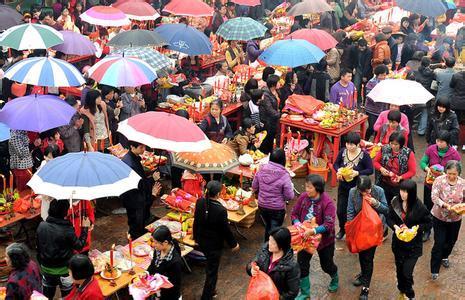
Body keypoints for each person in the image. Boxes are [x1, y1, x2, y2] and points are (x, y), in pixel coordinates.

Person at [291, 175, 339, 298]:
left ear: (317, 188)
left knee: (326, 265)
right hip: (304, 238)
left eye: (309, 187)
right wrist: (298, 224)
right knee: (302, 264)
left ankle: (334, 277)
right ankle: (305, 293)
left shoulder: (327, 203)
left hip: (324, 240)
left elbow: (328, 225)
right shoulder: (303, 197)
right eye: (306, 186)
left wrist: (313, 230)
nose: (306, 189)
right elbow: (294, 214)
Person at [193, 180, 239, 300]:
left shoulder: (200, 202)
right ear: (218, 194)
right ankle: (207, 296)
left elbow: (196, 221)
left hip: (201, 240)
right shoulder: (221, 210)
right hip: (214, 245)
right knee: (212, 272)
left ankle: (211, 290)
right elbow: (225, 229)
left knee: (210, 268)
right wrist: (233, 244)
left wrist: (195, 237)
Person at [387, 180, 432, 300]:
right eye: (401, 190)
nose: (403, 194)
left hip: (413, 247)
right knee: (399, 271)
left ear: (412, 192)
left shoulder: (419, 207)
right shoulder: (395, 202)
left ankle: (410, 294)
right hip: (398, 244)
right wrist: (395, 227)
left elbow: (429, 223)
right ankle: (402, 290)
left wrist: (415, 229)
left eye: (406, 191)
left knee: (407, 272)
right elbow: (389, 218)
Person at [36, 200, 90, 299]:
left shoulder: (41, 226)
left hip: (46, 270)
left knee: (46, 297)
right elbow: (79, 246)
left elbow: (38, 249)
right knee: (67, 297)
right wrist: (85, 228)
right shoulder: (67, 229)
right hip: (64, 272)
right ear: (64, 212)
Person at [347, 176, 389, 300]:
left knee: (368, 258)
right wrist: (351, 228)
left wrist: (376, 203)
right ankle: (363, 274)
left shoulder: (379, 191)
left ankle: (365, 288)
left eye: (368, 190)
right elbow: (350, 211)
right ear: (358, 189)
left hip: (374, 231)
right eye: (363, 191)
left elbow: (386, 210)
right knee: (361, 254)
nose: (366, 193)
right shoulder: (352, 192)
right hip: (360, 230)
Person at [420, 131, 460, 242]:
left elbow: (458, 169)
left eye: (441, 141)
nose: (438, 143)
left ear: (447, 143)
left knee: (443, 207)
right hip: (430, 184)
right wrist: (427, 168)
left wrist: (447, 174)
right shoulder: (431, 149)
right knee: (427, 207)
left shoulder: (454, 154)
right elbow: (423, 162)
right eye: (437, 140)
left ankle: (442, 229)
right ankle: (427, 230)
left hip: (445, 188)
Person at [334, 132, 374, 239]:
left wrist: (358, 173)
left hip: (357, 188)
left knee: (355, 211)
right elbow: (335, 164)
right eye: (347, 143)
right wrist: (338, 171)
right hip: (343, 186)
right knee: (341, 210)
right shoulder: (343, 152)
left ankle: (354, 231)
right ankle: (342, 229)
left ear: (358, 145)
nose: (349, 146)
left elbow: (370, 170)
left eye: (352, 144)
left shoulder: (364, 155)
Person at [430, 160, 464, 280]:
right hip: (439, 217)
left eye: (454, 174)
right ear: (446, 171)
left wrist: (461, 208)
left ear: (458, 173)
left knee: (451, 241)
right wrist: (445, 205)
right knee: (439, 242)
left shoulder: (462, 183)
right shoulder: (439, 181)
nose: (451, 176)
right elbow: (434, 197)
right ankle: (434, 269)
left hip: (455, 218)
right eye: (449, 173)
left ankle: (445, 256)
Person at [120, 141, 161, 238]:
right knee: (137, 226)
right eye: (141, 148)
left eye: (144, 147)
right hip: (134, 200)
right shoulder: (130, 163)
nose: (143, 150)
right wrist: (152, 180)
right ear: (132, 147)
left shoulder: (131, 158)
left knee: (136, 222)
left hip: (132, 199)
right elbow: (139, 184)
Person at [252, 148, 294, 241]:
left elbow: (254, 186)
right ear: (283, 160)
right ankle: (269, 250)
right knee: (274, 232)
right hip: (277, 209)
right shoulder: (284, 174)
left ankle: (267, 247)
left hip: (262, 205)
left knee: (269, 226)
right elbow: (289, 196)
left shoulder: (261, 169)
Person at [246, 227, 300, 300]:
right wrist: (251, 269)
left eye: (273, 242)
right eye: (269, 240)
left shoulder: (292, 266)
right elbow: (253, 262)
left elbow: (293, 292)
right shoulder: (265, 250)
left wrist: (276, 297)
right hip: (260, 295)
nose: (269, 243)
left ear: (281, 246)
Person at [373, 132, 416, 205]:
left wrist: (400, 177)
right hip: (384, 182)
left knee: (398, 205)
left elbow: (412, 171)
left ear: (401, 144)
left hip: (400, 185)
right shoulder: (384, 149)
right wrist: (381, 169)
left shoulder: (408, 153)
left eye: (396, 144)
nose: (393, 146)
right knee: (384, 203)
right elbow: (375, 162)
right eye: (391, 143)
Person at [147, 225, 183, 300]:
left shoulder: (175, 262)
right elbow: (154, 264)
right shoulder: (158, 250)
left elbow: (173, 284)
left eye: (156, 243)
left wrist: (155, 286)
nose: (154, 245)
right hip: (158, 292)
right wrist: (146, 273)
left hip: (169, 296)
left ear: (165, 242)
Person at [364, 64, 389, 140]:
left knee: (379, 129)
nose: (384, 77)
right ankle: (365, 140)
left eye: (385, 75)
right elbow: (369, 96)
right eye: (382, 75)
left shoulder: (386, 82)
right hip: (372, 110)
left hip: (382, 110)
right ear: (378, 74)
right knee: (372, 128)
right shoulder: (372, 82)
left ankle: (375, 143)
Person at [259, 75, 281, 154]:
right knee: (267, 139)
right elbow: (269, 110)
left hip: (274, 119)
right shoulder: (266, 95)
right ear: (273, 84)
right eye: (278, 82)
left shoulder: (277, 91)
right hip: (267, 121)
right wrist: (280, 115)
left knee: (272, 138)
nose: (280, 84)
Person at [352, 38, 373, 105]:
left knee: (365, 87)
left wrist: (364, 75)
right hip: (358, 69)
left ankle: (364, 102)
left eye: (363, 46)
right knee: (356, 85)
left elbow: (367, 64)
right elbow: (354, 59)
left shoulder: (369, 52)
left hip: (366, 71)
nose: (362, 48)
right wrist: (354, 67)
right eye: (360, 46)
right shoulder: (355, 50)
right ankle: (358, 100)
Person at [449, 70, 465, 151]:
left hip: (456, 103)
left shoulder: (456, 75)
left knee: (455, 124)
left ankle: (454, 144)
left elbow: (451, 85)